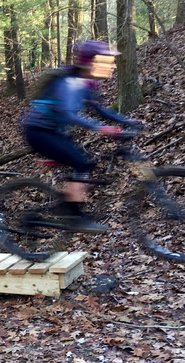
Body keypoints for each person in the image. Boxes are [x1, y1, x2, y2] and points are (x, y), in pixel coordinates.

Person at [21, 40, 141, 233]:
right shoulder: (70, 83)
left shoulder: (87, 84)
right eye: (107, 61)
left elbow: (102, 111)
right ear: (91, 62)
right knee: (81, 162)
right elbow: (69, 113)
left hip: (53, 132)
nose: (112, 65)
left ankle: (67, 204)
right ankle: (74, 216)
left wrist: (128, 121)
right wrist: (100, 128)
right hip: (38, 132)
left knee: (85, 163)